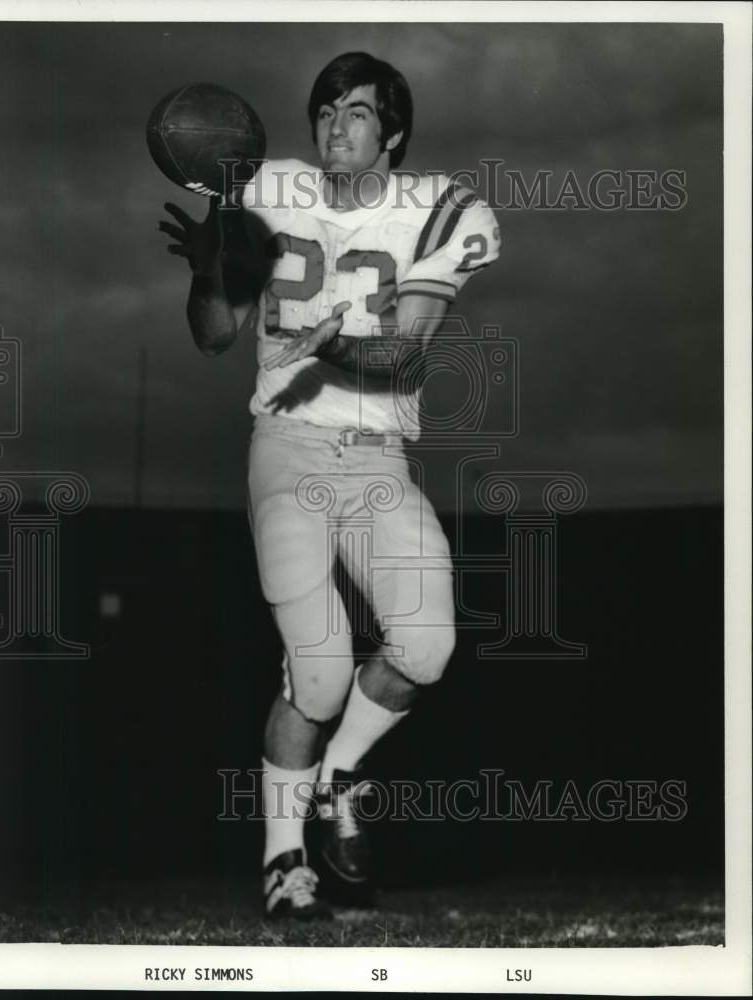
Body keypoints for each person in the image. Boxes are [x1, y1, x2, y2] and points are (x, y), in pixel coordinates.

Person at [158, 51, 501, 921]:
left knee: (425, 645)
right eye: (322, 110)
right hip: (287, 447)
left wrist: (335, 346)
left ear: (393, 132)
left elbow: (407, 351)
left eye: (355, 111)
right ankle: (283, 865)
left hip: (378, 456)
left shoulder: (443, 211)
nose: (332, 124)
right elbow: (213, 332)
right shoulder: (264, 189)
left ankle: (336, 775)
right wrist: (209, 267)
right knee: (314, 674)